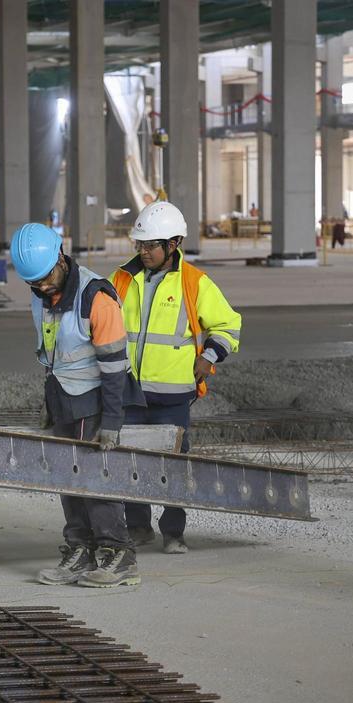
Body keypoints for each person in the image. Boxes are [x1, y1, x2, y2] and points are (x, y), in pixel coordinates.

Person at [10, 222, 141, 588]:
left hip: (94, 401)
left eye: (45, 278)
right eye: (33, 282)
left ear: (61, 257)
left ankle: (119, 555)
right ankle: (81, 550)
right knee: (67, 479)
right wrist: (50, 399)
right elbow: (53, 351)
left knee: (94, 478)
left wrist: (111, 422)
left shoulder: (95, 297)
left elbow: (114, 369)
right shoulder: (41, 294)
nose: (41, 287)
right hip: (64, 399)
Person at [110, 201, 242, 554]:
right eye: (140, 244)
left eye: (151, 245)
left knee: (174, 464)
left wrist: (209, 356)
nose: (144, 251)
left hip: (173, 396)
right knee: (130, 462)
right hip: (129, 390)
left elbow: (228, 325)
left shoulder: (194, 282)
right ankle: (138, 527)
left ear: (174, 244)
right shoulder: (121, 279)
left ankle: (173, 533)